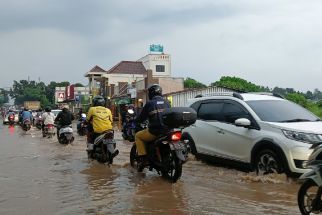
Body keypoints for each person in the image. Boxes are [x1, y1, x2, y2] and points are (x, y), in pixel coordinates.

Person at [135, 84, 171, 165]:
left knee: (138, 136)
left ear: (151, 93)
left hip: (155, 132)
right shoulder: (167, 103)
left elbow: (141, 118)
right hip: (168, 131)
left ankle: (143, 158)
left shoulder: (150, 104)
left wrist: (136, 121)